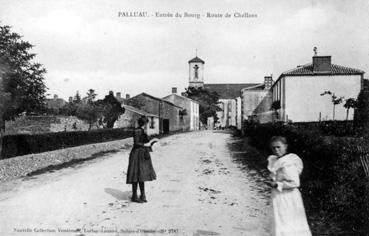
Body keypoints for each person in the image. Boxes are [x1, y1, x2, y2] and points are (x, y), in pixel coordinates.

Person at [267, 136, 312, 236]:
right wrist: (272, 179)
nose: (276, 150)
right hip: (279, 196)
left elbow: (295, 183)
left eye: (279, 147)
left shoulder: (288, 162)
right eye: (273, 148)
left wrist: (276, 184)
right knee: (279, 223)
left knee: (287, 224)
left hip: (288, 197)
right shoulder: (276, 160)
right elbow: (278, 175)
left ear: (285, 147)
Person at [126, 117, 156, 203]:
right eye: (147, 123)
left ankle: (143, 195)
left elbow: (146, 140)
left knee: (142, 174)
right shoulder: (137, 131)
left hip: (142, 154)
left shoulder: (142, 130)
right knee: (136, 175)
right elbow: (136, 143)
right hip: (136, 154)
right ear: (144, 123)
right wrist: (146, 145)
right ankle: (134, 196)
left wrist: (150, 140)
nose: (147, 125)